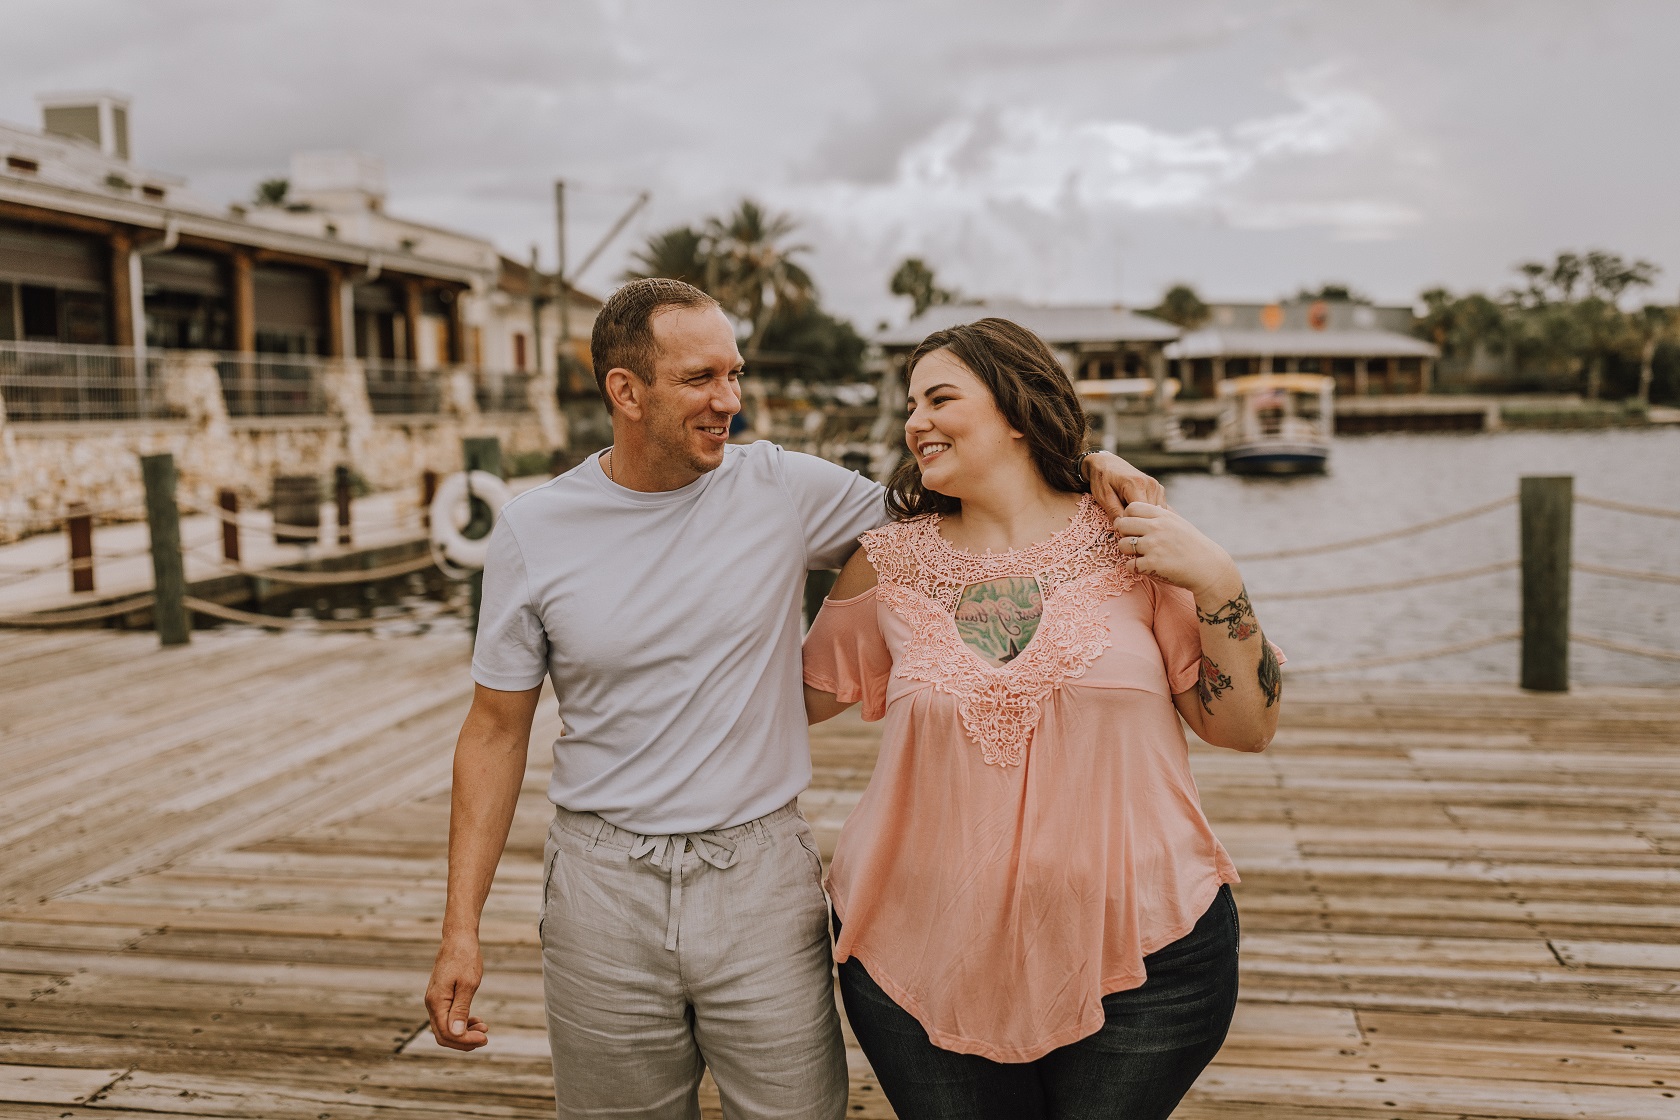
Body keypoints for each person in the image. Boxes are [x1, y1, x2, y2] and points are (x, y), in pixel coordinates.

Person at [421, 279, 1165, 1120]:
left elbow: (970, 502)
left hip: (761, 873)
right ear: (626, 392)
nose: (729, 401)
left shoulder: (782, 487)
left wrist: (1091, 465)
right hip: (600, 887)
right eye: (702, 379)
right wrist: (461, 929)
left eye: (734, 375)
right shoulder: (532, 530)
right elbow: (492, 733)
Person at [802, 317, 1284, 1120]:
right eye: (909, 404)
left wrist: (1218, 580)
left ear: (1019, 411)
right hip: (921, 958)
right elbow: (784, 704)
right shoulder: (886, 562)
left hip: (1147, 957)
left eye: (941, 397)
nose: (915, 421)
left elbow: (1245, 727)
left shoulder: (1133, 541)